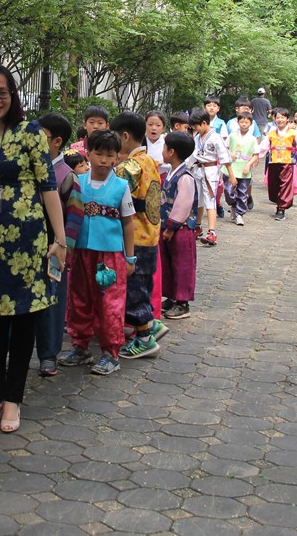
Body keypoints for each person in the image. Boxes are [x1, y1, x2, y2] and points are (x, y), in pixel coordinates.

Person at [0, 65, 66, 433]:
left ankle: (13, 399)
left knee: (23, 321)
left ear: (12, 96)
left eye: (2, 92)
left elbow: (48, 187)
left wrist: (60, 240)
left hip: (28, 241)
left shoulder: (30, 133)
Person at [59, 129, 136, 375]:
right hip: (80, 252)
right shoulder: (78, 182)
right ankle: (80, 347)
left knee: (109, 303)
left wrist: (130, 257)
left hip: (109, 256)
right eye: (98, 153)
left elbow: (128, 223)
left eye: (109, 155)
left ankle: (110, 353)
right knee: (78, 299)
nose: (103, 160)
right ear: (88, 153)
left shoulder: (121, 186)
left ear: (117, 157)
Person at [110, 112, 166, 359]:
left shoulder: (129, 167)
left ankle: (144, 339)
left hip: (135, 236)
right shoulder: (149, 160)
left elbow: (114, 197)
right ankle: (153, 325)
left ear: (124, 136)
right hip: (150, 233)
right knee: (143, 285)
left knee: (134, 290)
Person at [35, 112, 76, 377]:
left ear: (57, 141)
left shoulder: (67, 175)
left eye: (41, 136)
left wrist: (64, 247)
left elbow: (75, 217)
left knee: (53, 301)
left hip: (54, 245)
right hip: (29, 242)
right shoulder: (29, 167)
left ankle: (49, 355)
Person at [160, 131, 198, 320]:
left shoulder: (185, 177)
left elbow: (183, 205)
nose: (162, 150)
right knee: (168, 264)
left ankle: (183, 302)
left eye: (164, 147)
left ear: (171, 152)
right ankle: (172, 296)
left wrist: (171, 227)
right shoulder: (170, 173)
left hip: (180, 230)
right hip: (167, 228)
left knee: (182, 265)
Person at [188, 108, 236, 246]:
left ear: (204, 123)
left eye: (196, 127)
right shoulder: (197, 138)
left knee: (210, 200)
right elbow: (193, 156)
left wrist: (231, 175)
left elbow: (224, 156)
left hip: (210, 172)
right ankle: (198, 226)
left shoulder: (215, 137)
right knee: (198, 200)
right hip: (198, 170)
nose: (195, 130)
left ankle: (212, 231)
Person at [258, 107, 297, 220]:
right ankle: (279, 201)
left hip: (287, 163)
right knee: (273, 185)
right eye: (278, 117)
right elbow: (263, 147)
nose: (280, 120)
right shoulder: (271, 133)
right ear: (274, 119)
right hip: (273, 162)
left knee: (285, 185)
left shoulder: (293, 133)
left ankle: (281, 209)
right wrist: (255, 156)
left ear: (287, 119)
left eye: (282, 117)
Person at [224, 112, 259, 225]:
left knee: (243, 192)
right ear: (238, 122)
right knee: (229, 191)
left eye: (246, 122)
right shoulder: (232, 135)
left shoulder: (252, 139)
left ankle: (240, 214)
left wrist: (249, 165)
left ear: (251, 123)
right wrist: (230, 154)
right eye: (242, 122)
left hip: (244, 168)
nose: (244, 124)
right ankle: (233, 205)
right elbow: (224, 148)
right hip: (231, 167)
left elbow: (256, 155)